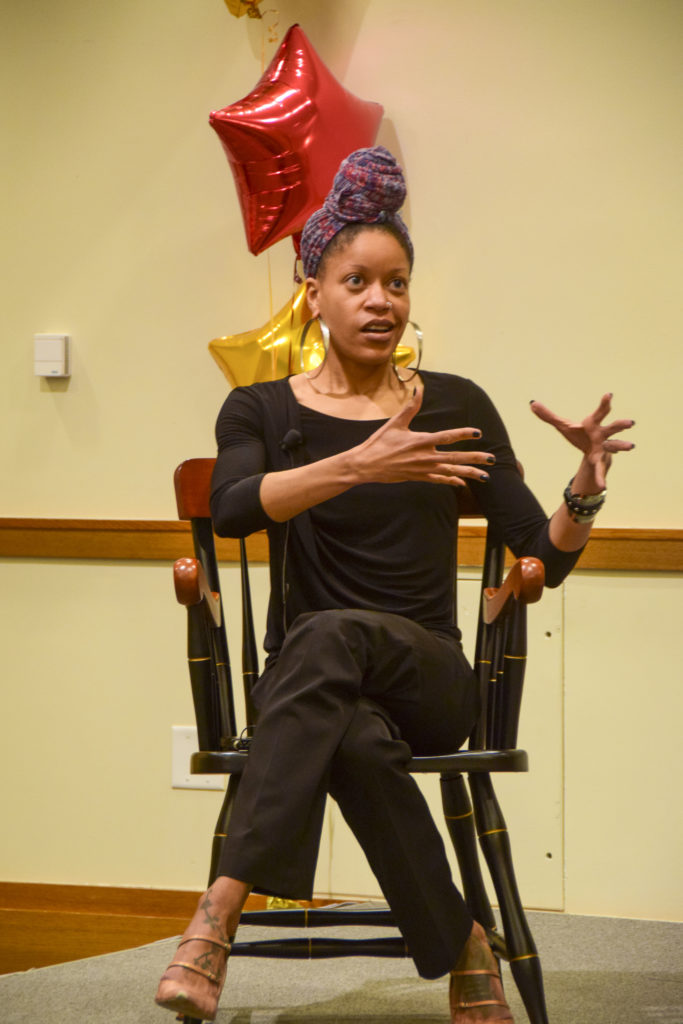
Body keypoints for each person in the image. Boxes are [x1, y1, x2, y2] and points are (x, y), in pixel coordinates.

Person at [155, 146, 635, 1023]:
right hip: (313, 693)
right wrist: (358, 465)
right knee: (352, 735)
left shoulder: (454, 405)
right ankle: (464, 941)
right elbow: (230, 511)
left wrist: (584, 490)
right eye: (358, 282)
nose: (381, 301)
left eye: (397, 283)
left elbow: (543, 553)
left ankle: (218, 909)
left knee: (328, 633)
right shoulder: (260, 408)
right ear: (314, 293)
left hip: (430, 679)